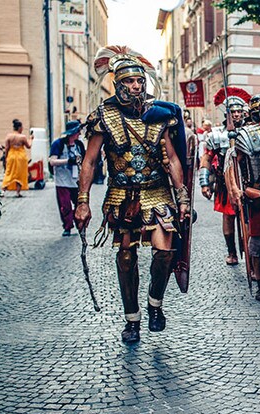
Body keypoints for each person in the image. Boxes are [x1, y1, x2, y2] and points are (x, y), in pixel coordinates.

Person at [75, 45, 190, 344]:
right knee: (126, 257)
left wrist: (183, 196)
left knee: (165, 251)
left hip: (157, 191)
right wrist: (83, 201)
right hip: (122, 195)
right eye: (128, 82)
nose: (136, 87)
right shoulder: (104, 116)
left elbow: (174, 157)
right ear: (117, 83)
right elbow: (89, 161)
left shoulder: (160, 114)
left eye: (139, 81)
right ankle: (132, 319)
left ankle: (155, 303)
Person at [226, 90, 260, 302]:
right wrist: (236, 189)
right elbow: (234, 164)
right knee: (257, 241)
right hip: (257, 193)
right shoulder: (248, 134)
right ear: (258, 109)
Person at [200, 91, 248, 265]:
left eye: (238, 111)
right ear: (226, 113)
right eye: (232, 112)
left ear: (244, 112)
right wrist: (204, 183)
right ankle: (232, 251)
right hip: (224, 183)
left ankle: (248, 253)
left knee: (248, 219)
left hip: (247, 181)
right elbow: (206, 158)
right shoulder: (216, 134)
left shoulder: (250, 131)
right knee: (228, 217)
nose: (236, 115)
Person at [48, 120, 85, 236]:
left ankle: (79, 223)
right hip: (62, 180)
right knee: (65, 205)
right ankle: (67, 226)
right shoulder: (58, 144)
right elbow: (52, 161)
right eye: (77, 132)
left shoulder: (79, 145)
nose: (79, 134)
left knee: (79, 203)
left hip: (76, 180)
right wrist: (68, 161)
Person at [1, 119, 32, 197]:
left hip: (11, 156)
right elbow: (28, 146)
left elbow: (7, 148)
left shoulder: (9, 136)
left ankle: (3, 191)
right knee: (20, 174)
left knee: (9, 173)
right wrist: (31, 139)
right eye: (22, 127)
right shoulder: (23, 137)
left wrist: (6, 157)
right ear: (19, 128)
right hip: (21, 157)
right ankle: (18, 192)